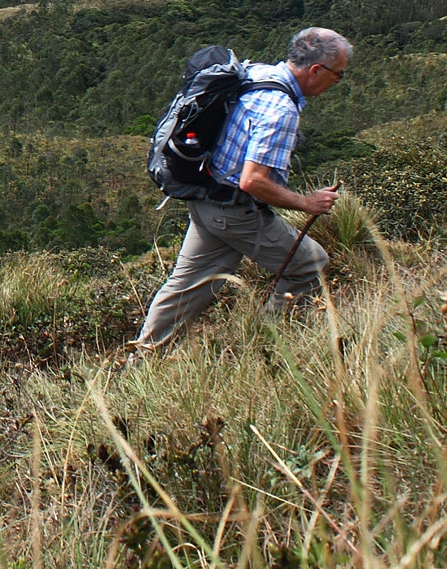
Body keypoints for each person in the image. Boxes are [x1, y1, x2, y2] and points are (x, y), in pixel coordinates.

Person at [132, 27, 352, 352]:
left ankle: (142, 361)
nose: (337, 82)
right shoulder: (281, 110)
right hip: (233, 211)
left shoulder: (255, 72)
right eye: (338, 75)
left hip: (205, 198)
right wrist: (307, 203)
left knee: (186, 287)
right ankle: (266, 348)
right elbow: (253, 181)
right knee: (310, 265)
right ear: (316, 70)